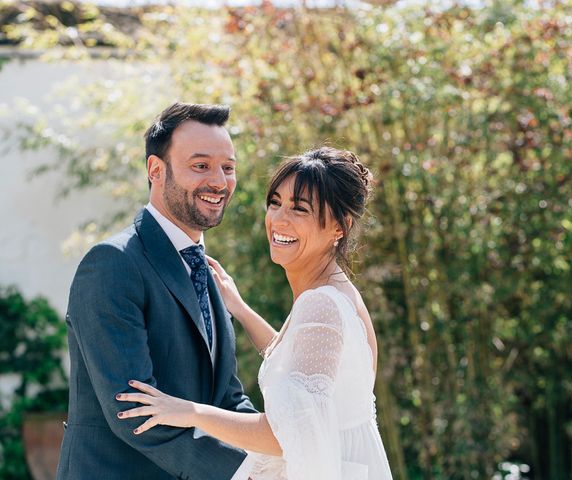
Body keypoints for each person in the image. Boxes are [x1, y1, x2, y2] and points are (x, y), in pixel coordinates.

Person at [116, 147, 394, 480]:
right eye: (275, 203)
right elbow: (296, 361)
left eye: (300, 209)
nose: (279, 219)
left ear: (340, 226)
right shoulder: (339, 295)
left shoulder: (321, 306)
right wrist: (240, 308)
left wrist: (189, 412)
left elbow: (284, 434)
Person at [57, 102, 259, 480]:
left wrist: (277, 453)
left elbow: (227, 398)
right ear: (156, 170)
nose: (219, 181)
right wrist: (247, 472)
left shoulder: (204, 270)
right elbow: (135, 413)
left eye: (228, 168)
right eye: (200, 165)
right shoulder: (112, 264)